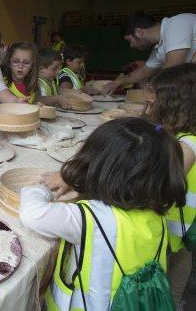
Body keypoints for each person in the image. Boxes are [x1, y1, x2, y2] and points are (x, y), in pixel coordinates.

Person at [20, 117, 185, 309]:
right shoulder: (158, 212)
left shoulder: (92, 220)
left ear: (101, 169)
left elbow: (32, 213)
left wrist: (39, 189)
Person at [145, 63, 196, 305]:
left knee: (171, 273)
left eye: (155, 101)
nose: (150, 106)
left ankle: (171, 303)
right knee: (181, 261)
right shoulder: (182, 136)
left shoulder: (186, 147)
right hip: (182, 230)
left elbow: (155, 185)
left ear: (175, 105)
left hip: (176, 227)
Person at [102, 11, 196, 96]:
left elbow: (172, 71)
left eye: (129, 40)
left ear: (139, 32)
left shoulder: (177, 24)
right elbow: (145, 71)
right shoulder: (159, 47)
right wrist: (116, 83)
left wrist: (149, 85)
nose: (131, 45)